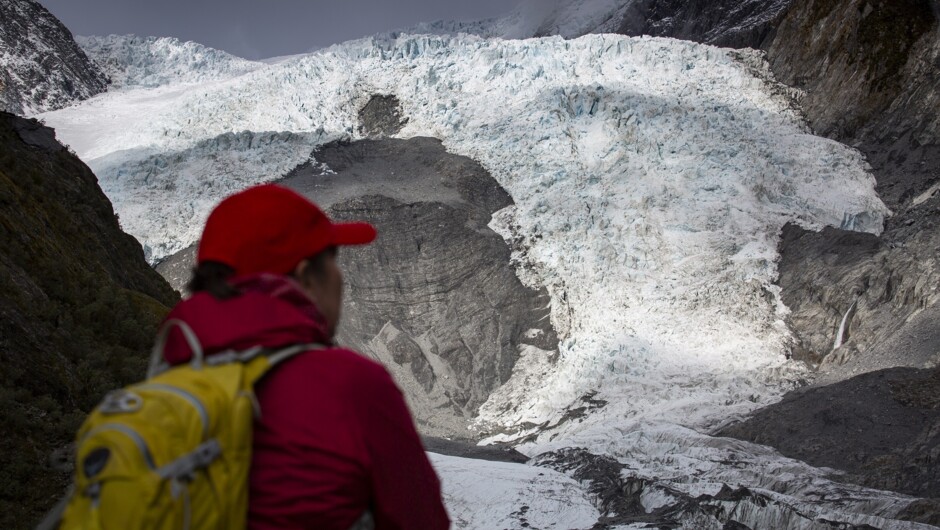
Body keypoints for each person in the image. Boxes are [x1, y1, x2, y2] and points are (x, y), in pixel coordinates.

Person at [160, 184, 450, 530]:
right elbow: (421, 521)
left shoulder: (160, 383)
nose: (341, 278)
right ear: (304, 277)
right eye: (333, 261)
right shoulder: (351, 387)